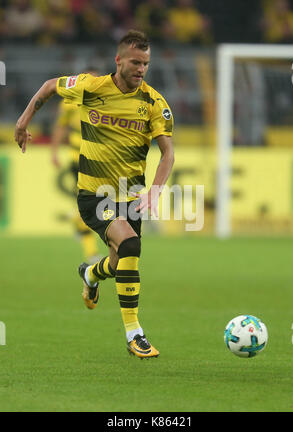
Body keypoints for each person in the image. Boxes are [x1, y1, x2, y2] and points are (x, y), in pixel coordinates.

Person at [15, 30, 174, 359]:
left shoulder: (154, 104)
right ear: (119, 61)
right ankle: (135, 334)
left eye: (145, 63)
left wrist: (155, 191)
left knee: (120, 262)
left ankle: (90, 273)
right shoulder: (91, 86)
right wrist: (24, 119)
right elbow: (48, 87)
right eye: (135, 62)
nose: (141, 68)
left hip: (129, 197)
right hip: (94, 195)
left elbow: (168, 154)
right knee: (131, 245)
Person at [51, 69, 101, 265]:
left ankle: (76, 217)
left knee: (89, 202)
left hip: (98, 159)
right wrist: (54, 152)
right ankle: (91, 253)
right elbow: (60, 126)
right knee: (89, 202)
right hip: (78, 159)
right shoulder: (70, 101)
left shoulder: (105, 101)